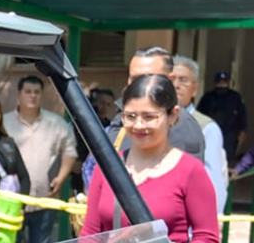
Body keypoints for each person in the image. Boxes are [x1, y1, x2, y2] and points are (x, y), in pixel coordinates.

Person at [82, 74, 218, 243]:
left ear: (173, 115)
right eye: (130, 116)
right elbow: (90, 234)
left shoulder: (190, 171)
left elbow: (207, 239)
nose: (138, 125)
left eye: (149, 117)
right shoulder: (108, 167)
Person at [81, 47, 205, 188]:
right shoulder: (123, 115)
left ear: (170, 80)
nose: (139, 85)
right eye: (134, 78)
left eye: (147, 78)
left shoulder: (179, 124)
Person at [173, 56, 227, 243]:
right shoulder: (154, 124)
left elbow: (215, 181)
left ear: (195, 88)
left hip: (197, 232)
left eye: (183, 80)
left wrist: (211, 223)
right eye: (171, 79)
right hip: (168, 230)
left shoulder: (207, 127)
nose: (176, 85)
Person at [3, 75, 76, 243]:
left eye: (37, 92)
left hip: (45, 198)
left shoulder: (56, 123)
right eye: (28, 91)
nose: (32, 96)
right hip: (12, 200)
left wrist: (61, 176)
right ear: (19, 94)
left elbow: (69, 151)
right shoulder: (4, 122)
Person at [199, 70, 247, 164]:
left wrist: (242, 133)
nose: (222, 84)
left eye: (224, 82)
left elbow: (242, 117)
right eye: (220, 82)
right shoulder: (208, 97)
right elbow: (199, 116)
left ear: (228, 82)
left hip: (229, 136)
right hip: (210, 134)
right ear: (215, 82)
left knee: (227, 162)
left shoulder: (235, 97)